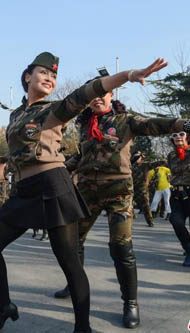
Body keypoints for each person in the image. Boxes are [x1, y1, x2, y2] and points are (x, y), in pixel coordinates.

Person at [0, 52, 169, 333]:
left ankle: (83, 328)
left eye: (54, 76)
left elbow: (87, 92)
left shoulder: (53, 110)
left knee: (69, 262)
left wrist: (128, 75)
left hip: (54, 188)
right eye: (44, 73)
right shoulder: (16, 114)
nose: (50, 78)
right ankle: (3, 306)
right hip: (24, 191)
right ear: (27, 76)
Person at [54, 68, 188, 329]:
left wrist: (185, 124)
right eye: (92, 94)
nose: (96, 98)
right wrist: (58, 170)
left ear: (111, 93)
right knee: (73, 243)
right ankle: (74, 284)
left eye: (101, 92)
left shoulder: (126, 120)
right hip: (87, 194)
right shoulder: (85, 125)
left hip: (118, 192)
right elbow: (80, 156)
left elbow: (155, 124)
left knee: (121, 248)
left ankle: (130, 303)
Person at [167, 131, 190, 266]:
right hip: (176, 195)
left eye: (181, 134)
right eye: (174, 135)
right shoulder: (171, 155)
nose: (177, 137)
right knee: (176, 221)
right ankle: (188, 248)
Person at [131, 152, 164, 227]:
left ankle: (150, 221)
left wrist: (164, 161)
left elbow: (155, 164)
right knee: (128, 203)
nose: (136, 159)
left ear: (141, 158)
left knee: (146, 205)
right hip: (131, 188)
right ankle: (130, 217)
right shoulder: (131, 166)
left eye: (138, 157)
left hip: (142, 189)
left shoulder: (145, 165)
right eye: (135, 157)